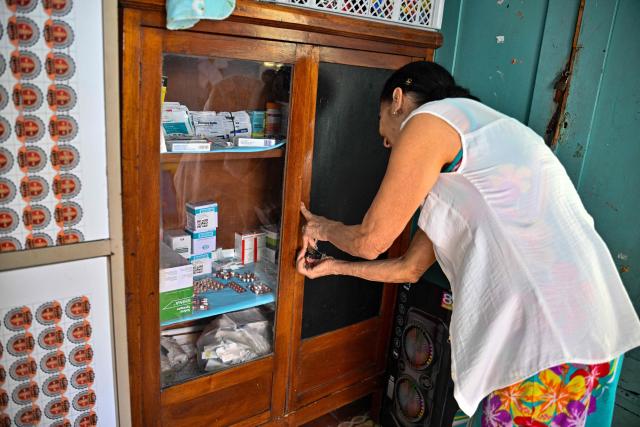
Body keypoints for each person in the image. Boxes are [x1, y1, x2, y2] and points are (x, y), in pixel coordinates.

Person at [296, 61, 640, 426]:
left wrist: (323, 227)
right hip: (591, 322)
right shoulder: (482, 141)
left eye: (383, 128)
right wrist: (333, 266)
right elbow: (409, 268)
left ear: (398, 100)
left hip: (545, 338)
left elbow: (371, 241)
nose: (386, 142)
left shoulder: (426, 121)